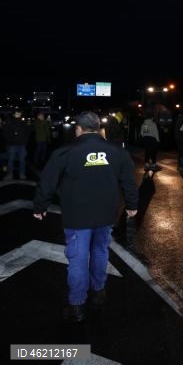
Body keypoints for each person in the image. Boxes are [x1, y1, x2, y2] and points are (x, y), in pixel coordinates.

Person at [32, 111, 138, 322]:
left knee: (78, 259)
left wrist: (40, 206)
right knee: (100, 251)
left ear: (78, 129)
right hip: (106, 214)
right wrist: (132, 205)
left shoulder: (65, 152)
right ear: (99, 128)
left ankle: (77, 305)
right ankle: (98, 294)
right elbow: (129, 180)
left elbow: (48, 182)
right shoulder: (117, 152)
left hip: (77, 216)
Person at [2, 109, 31, 180]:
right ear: (14, 114)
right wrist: (10, 140)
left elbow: (27, 132)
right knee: (10, 160)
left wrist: (25, 141)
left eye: (20, 113)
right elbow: (4, 132)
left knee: (22, 160)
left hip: (22, 145)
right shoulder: (9, 122)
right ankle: (9, 174)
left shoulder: (23, 123)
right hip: (12, 145)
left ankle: (22, 174)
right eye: (17, 113)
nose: (18, 114)